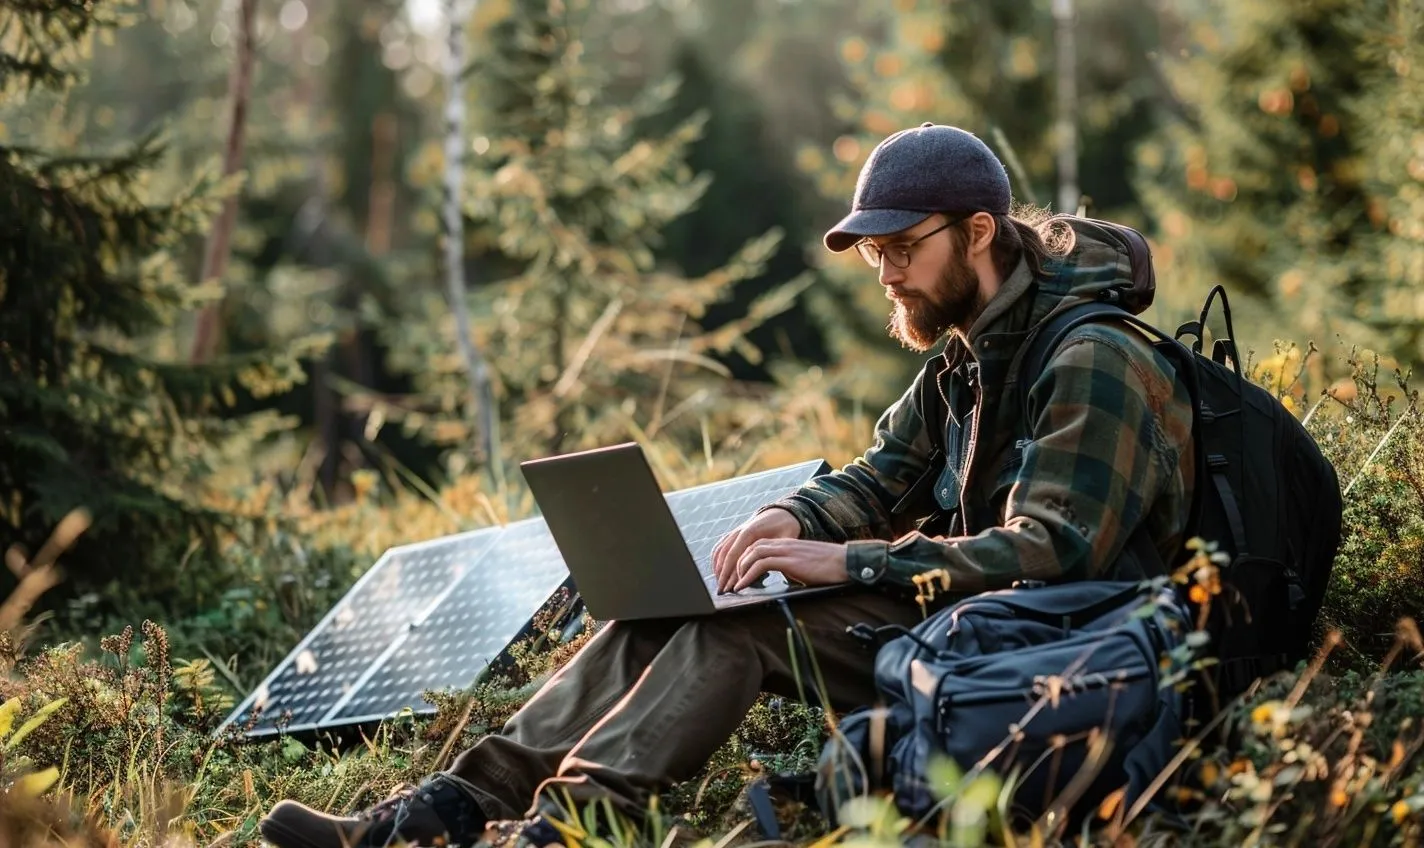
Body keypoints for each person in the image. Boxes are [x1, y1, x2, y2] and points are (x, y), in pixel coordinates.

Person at [257, 123, 1196, 848]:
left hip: (1065, 637)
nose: (888, 275)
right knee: (669, 604)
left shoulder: (1089, 357)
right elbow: (881, 474)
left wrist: (846, 560)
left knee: (751, 622)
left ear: (979, 231)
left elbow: (1055, 551)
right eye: (874, 256)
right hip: (962, 621)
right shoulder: (966, 357)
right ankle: (448, 812)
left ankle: (573, 826)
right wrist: (796, 514)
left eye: (902, 248)